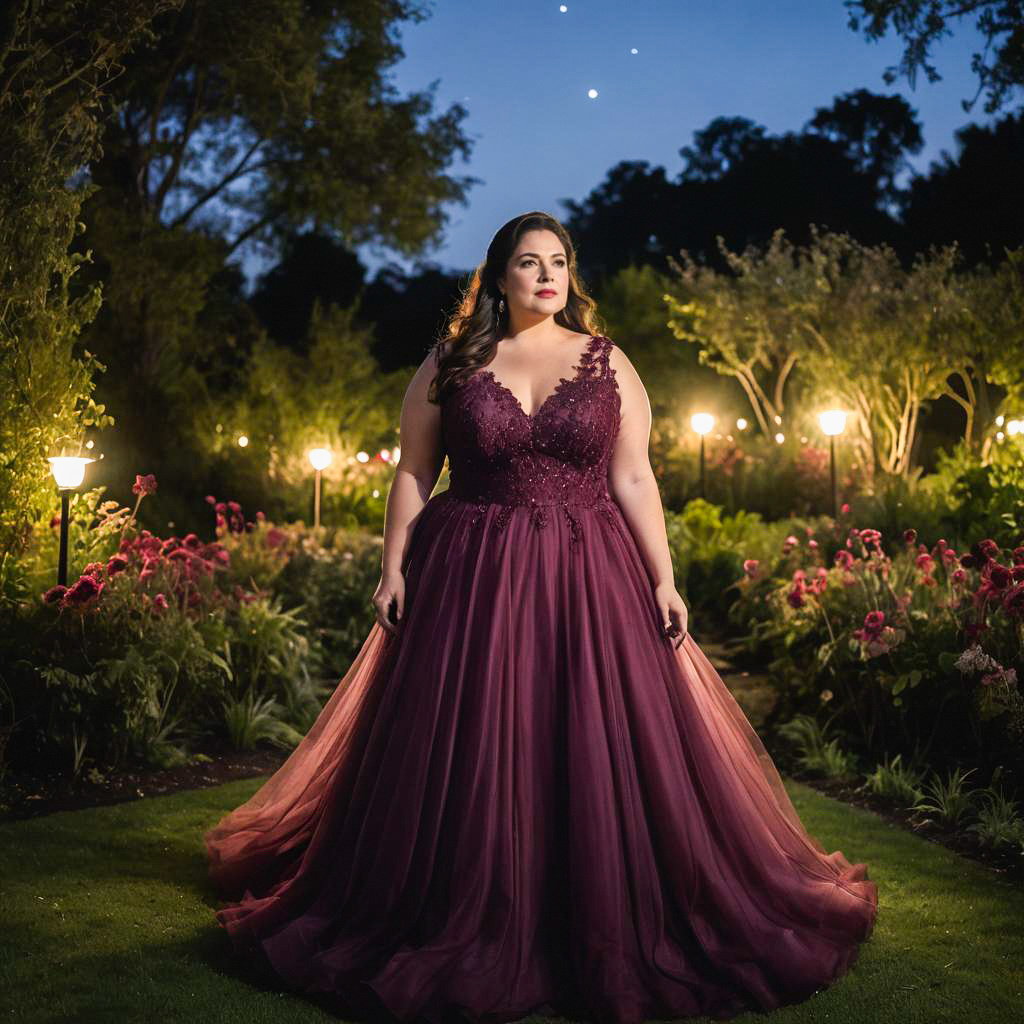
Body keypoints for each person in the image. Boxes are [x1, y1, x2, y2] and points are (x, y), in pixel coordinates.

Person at [204, 210, 878, 1024]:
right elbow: (415, 474)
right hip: (470, 573)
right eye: (529, 263)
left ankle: (598, 908)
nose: (547, 275)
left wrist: (664, 580)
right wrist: (391, 567)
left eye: (558, 261)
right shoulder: (451, 363)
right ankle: (458, 905)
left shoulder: (607, 361)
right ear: (498, 276)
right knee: (473, 738)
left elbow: (634, 479)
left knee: (594, 739)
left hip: (589, 573)